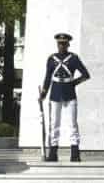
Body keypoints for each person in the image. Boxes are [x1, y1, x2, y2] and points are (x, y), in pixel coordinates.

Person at [38, 32, 91, 162]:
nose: (61, 46)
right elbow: (47, 78)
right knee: (54, 124)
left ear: (68, 44)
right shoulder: (51, 59)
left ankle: (75, 153)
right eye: (59, 43)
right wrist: (43, 94)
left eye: (63, 43)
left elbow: (86, 75)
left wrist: (73, 83)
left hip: (69, 94)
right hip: (55, 93)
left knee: (72, 124)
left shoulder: (73, 58)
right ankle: (53, 153)